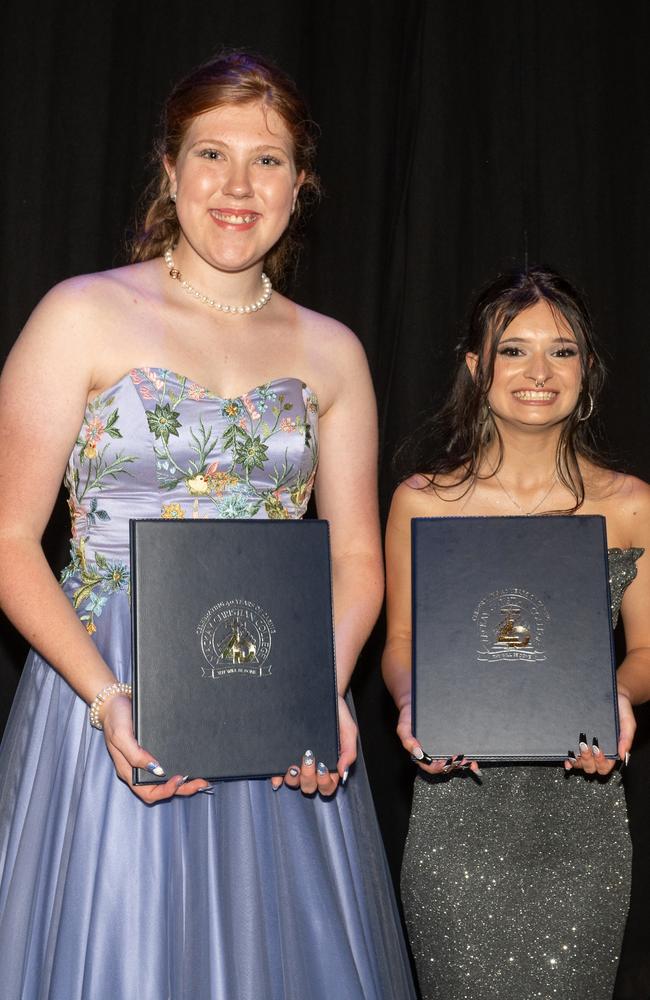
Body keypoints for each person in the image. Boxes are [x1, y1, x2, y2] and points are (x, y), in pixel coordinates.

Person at [0, 52, 416, 1000]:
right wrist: (109, 699)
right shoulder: (81, 314)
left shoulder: (333, 350)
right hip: (109, 687)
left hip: (271, 690)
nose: (238, 187)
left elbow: (355, 553)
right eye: (212, 155)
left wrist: (323, 687)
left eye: (267, 161)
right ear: (169, 169)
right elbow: (7, 538)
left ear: (299, 183)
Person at [382, 266, 650, 1000]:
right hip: (457, 814)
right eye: (513, 350)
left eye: (562, 351)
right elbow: (399, 642)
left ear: (587, 367)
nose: (539, 372)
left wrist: (613, 696)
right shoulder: (422, 502)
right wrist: (416, 706)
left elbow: (649, 655)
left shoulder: (630, 504)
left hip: (582, 817)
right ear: (476, 366)